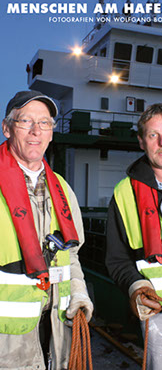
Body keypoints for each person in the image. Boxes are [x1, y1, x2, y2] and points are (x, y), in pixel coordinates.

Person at [0, 90, 93, 370]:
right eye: (25, 121)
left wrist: (79, 292)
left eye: (44, 123)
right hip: (8, 344)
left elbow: (72, 256)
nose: (35, 131)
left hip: (56, 333)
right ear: (7, 128)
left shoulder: (63, 189)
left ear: (52, 133)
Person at [106, 103, 162, 370]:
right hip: (161, 316)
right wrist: (136, 288)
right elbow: (116, 260)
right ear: (141, 142)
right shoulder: (124, 194)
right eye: (153, 135)